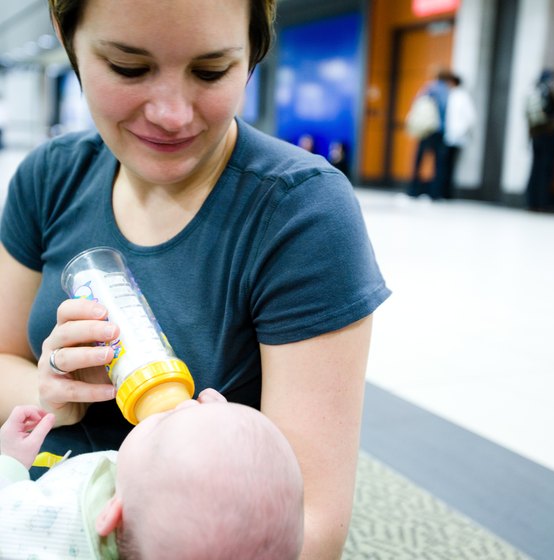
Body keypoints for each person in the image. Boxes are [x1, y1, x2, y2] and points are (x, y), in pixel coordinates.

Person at [0, 0, 391, 557]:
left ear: (254, 51)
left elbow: (311, 527)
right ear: (68, 38)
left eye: (210, 72)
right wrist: (56, 398)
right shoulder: (51, 177)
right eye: (129, 68)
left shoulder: (299, 213)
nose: (172, 114)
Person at [0, 389, 304, 559]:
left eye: (167, 420)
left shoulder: (48, 521)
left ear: (111, 515)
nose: (200, 397)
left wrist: (9, 460)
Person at [407, 69, 454, 200]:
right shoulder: (448, 91)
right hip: (440, 130)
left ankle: (414, 190)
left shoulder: (430, 87)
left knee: (419, 160)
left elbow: (417, 103)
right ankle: (436, 193)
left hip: (427, 128)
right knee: (438, 163)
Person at [525, 68, 554, 212]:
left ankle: (532, 201)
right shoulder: (550, 91)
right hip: (548, 135)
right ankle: (543, 202)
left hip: (535, 136)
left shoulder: (535, 91)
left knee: (535, 169)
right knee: (546, 170)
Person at [442, 74, 476, 199]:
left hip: (456, 137)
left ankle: (447, 193)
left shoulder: (462, 96)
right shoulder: (453, 95)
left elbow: (470, 117)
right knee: (446, 165)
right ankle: (444, 192)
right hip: (450, 136)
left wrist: (459, 132)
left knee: (449, 165)